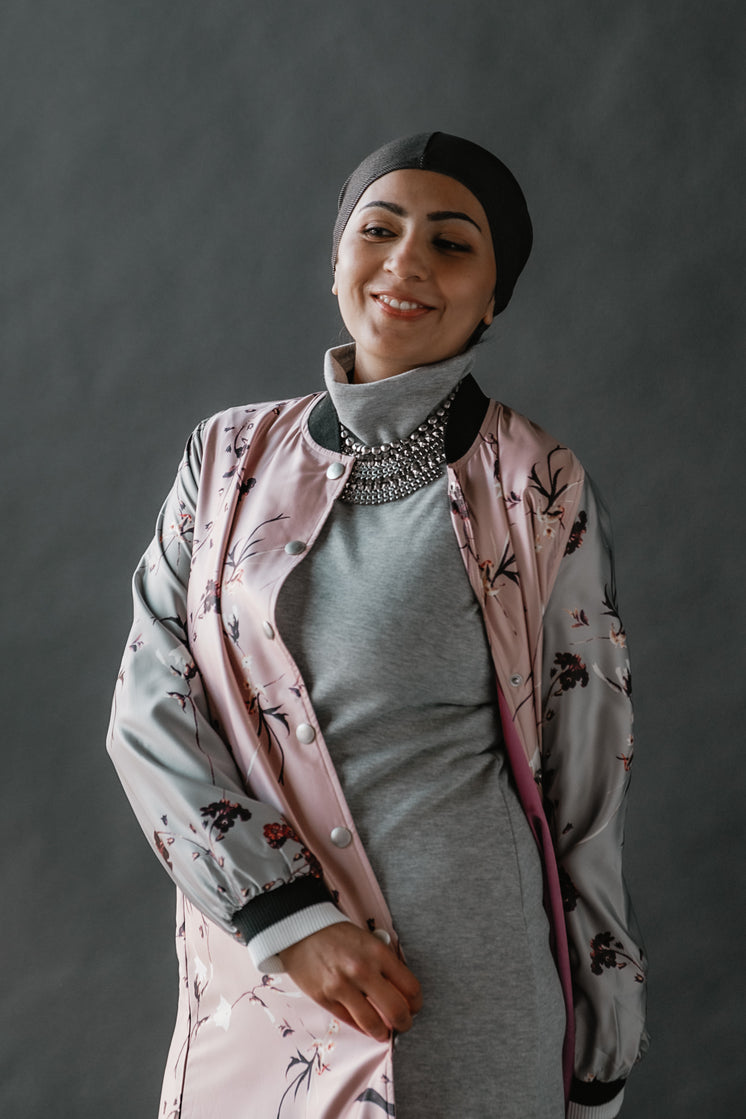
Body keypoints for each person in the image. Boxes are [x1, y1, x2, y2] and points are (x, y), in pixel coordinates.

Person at [108, 132, 647, 1118]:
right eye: (378, 229)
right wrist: (280, 913)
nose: (404, 262)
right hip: (263, 985)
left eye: (450, 244)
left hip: (465, 994)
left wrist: (601, 1035)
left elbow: (585, 778)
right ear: (336, 259)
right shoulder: (222, 461)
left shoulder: (535, 484)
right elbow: (149, 713)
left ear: (493, 296)